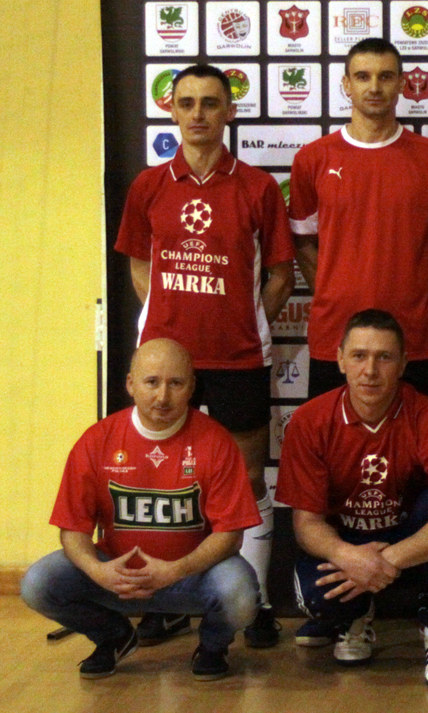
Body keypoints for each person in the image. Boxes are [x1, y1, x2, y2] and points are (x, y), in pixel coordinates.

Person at [114, 63, 294, 648]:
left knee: (247, 479)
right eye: (187, 102)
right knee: (161, 481)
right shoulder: (149, 185)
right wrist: (167, 325)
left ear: (229, 111)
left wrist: (246, 317)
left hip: (238, 357)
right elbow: (139, 265)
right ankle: (164, 603)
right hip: (166, 364)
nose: (198, 114)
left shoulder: (258, 187)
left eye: (210, 103)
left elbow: (281, 274)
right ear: (171, 110)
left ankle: (256, 603)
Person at [21, 339, 262, 681]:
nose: (162, 396)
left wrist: (176, 570)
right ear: (131, 384)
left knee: (240, 593)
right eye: (151, 382)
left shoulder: (216, 441)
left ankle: (212, 646)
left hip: (190, 576)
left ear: (192, 387)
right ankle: (114, 636)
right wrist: (96, 570)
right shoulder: (97, 440)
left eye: (175, 383)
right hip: (116, 576)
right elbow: (73, 529)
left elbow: (230, 535)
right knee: (37, 583)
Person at [275, 309, 428, 689]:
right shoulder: (309, 421)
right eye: (359, 356)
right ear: (340, 359)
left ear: (403, 363)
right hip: (349, 541)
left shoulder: (427, 416)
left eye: (384, 357)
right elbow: (306, 524)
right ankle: (354, 620)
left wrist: (385, 561)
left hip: (410, 541)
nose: (370, 370)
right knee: (314, 597)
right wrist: (346, 555)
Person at [289, 38, 428, 404]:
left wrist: (413, 291)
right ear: (346, 84)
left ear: (402, 84)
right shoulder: (312, 159)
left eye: (385, 76)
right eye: (363, 76)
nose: (374, 87)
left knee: (417, 438)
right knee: (330, 436)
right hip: (335, 335)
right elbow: (303, 242)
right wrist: (335, 289)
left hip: (411, 336)